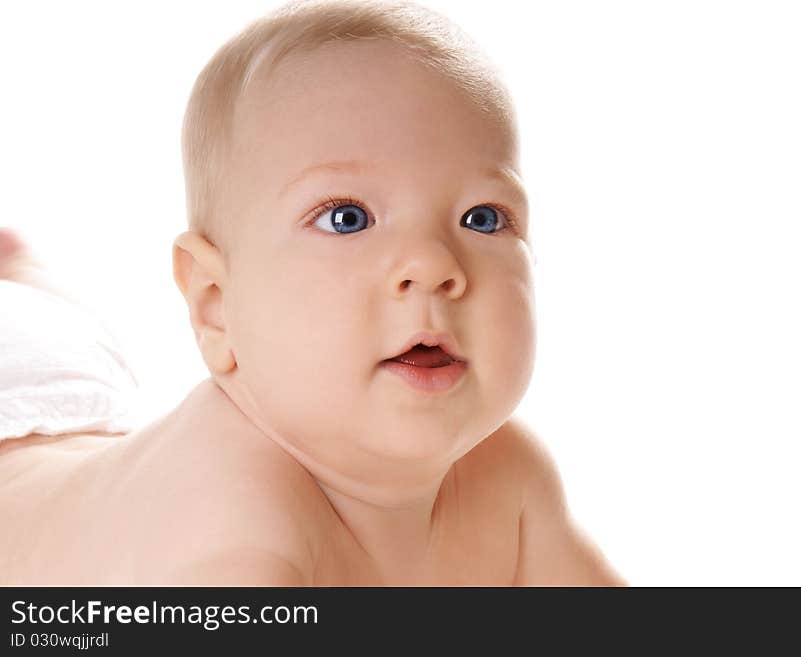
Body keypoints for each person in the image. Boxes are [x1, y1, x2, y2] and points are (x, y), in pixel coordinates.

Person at [0, 0, 626, 586]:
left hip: (80, 425)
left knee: (62, 342)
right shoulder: (244, 530)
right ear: (216, 304)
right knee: (47, 338)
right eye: (347, 217)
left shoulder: (507, 479)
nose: (434, 265)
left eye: (482, 218)